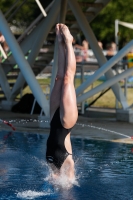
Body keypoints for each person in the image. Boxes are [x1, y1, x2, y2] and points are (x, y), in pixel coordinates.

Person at [46, 24, 78, 180]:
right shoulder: (69, 166)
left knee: (59, 77)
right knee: (67, 79)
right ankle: (69, 42)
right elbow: (69, 187)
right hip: (66, 123)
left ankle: (60, 43)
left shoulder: (54, 171)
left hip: (53, 120)